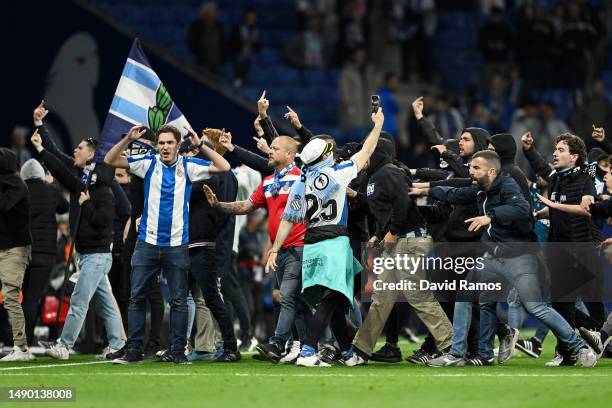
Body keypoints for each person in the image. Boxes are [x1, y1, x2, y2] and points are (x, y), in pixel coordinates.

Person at [411, 150, 598, 368]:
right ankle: (468, 354)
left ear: (491, 171)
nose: (471, 171)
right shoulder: (482, 190)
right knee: (468, 297)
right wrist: (421, 190)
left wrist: (489, 217)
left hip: (519, 256)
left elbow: (521, 209)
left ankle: (579, 347)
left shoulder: (507, 185)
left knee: (535, 307)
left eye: (475, 168)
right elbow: (454, 193)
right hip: (493, 257)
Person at [265, 108, 385, 367]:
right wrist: (377, 125)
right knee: (331, 299)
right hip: (334, 243)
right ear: (325, 156)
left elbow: (288, 219)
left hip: (311, 244)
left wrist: (275, 248)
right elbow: (366, 152)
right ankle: (308, 350)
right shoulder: (337, 173)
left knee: (337, 299)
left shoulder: (300, 182)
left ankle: (348, 352)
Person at [104, 124, 230, 364]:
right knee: (136, 297)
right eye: (161, 143)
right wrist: (127, 140)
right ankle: (133, 351)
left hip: (177, 244)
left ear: (178, 145)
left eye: (169, 143)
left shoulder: (189, 166)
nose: (164, 147)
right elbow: (110, 160)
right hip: (147, 242)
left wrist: (201, 144)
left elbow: (224, 167)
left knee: (179, 300)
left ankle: (177, 351)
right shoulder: (147, 162)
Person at [345, 137, 453, 366]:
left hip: (409, 242)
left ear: (377, 153)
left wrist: (392, 231)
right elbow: (387, 210)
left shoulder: (389, 172)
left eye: (366, 151)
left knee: (418, 296)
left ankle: (453, 347)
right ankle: (360, 351)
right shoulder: (374, 176)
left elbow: (404, 203)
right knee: (381, 299)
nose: (361, 156)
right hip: (396, 243)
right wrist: (377, 234)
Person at [205, 135, 308, 364]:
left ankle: (278, 342)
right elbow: (246, 206)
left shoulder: (302, 177)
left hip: (301, 245)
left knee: (288, 296)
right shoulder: (269, 181)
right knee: (294, 299)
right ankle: (303, 346)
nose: (269, 151)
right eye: (270, 148)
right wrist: (218, 205)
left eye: (275, 148)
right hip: (279, 250)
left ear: (290, 155)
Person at [31, 118, 125, 361]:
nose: (75, 150)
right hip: (89, 254)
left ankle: (64, 344)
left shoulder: (102, 189)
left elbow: (105, 219)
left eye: (80, 148)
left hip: (97, 254)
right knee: (105, 303)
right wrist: (41, 145)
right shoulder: (84, 183)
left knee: (78, 301)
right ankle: (118, 344)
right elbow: (61, 167)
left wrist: (87, 205)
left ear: (92, 154)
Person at [19, 159, 69, 346]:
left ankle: (20, 342)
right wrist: (52, 184)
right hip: (45, 254)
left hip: (22, 252)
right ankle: (26, 342)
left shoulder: (20, 191)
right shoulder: (51, 191)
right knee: (33, 298)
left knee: (23, 297)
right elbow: (64, 207)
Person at [0, 148, 35, 362]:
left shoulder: (18, 186)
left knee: (11, 297)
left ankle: (21, 348)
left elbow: (3, 205)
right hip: (4, 245)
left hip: (15, 248)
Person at [187, 2, 225, 77]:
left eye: (214, 11)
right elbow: (191, 44)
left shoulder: (220, 27)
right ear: (204, 13)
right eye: (210, 11)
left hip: (217, 65)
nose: (212, 14)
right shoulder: (196, 26)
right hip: (202, 65)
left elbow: (223, 44)